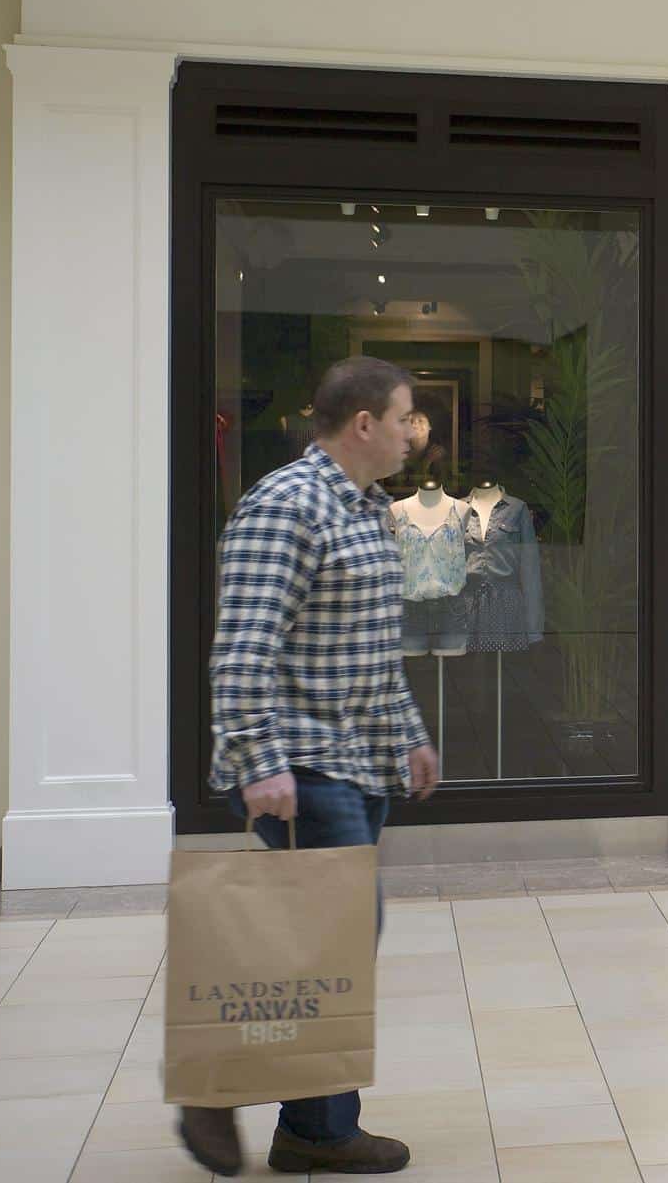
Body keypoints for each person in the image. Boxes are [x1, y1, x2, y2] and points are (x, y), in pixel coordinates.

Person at [179, 356, 443, 1177]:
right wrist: (258, 761)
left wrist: (409, 733)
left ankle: (288, 1112)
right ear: (363, 423)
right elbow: (242, 648)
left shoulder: (367, 510)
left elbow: (370, 645)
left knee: (322, 941)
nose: (412, 432)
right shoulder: (284, 505)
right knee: (329, 936)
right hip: (303, 763)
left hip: (358, 758)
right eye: (404, 418)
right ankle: (289, 1116)